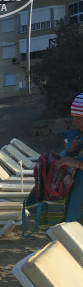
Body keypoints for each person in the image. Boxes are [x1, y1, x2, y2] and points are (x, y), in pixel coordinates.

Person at [54, 93, 83, 221]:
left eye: (79, 118)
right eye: (73, 117)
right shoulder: (80, 138)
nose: (74, 122)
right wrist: (70, 153)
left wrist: (71, 161)